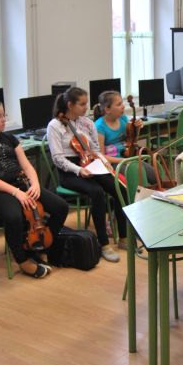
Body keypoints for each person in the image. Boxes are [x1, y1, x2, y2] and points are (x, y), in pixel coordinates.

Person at [0, 97, 68, 279]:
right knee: (14, 216)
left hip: (22, 184)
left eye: (4, 115)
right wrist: (16, 193)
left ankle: (40, 245)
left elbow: (27, 166)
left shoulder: (10, 138)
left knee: (60, 206)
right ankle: (22, 260)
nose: (3, 120)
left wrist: (35, 184)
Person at [47, 87, 127, 261]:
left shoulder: (86, 123)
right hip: (69, 171)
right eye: (82, 104)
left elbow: (96, 150)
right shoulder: (55, 126)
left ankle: (123, 237)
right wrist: (78, 170)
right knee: (97, 192)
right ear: (70, 105)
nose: (86, 107)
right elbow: (58, 158)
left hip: (91, 163)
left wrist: (104, 162)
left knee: (120, 187)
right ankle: (104, 244)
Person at [93, 90, 156, 180]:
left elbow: (133, 140)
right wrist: (123, 161)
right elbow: (101, 156)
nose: (123, 106)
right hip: (113, 163)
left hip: (127, 158)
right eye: (119, 104)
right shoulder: (99, 126)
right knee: (138, 175)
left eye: (122, 103)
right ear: (107, 109)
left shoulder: (123, 118)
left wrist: (137, 128)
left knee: (154, 174)